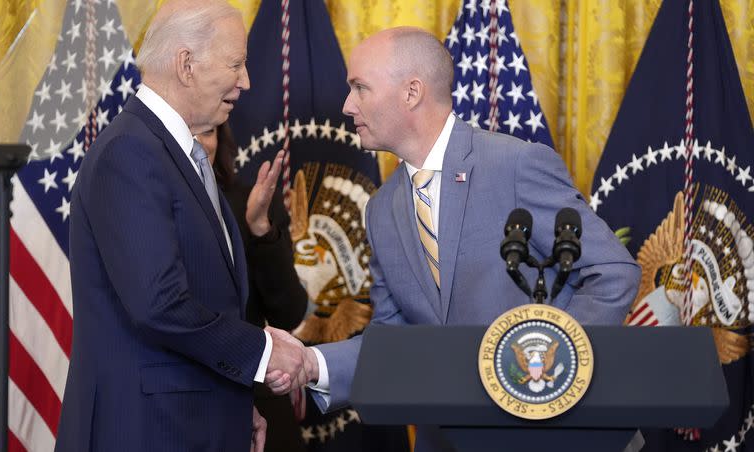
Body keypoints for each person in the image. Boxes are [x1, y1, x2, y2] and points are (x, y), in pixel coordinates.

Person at [266, 27, 643, 452]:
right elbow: (397, 339)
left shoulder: (515, 165)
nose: (347, 105)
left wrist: (550, 370)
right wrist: (312, 362)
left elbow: (612, 271)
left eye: (360, 88)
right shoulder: (383, 209)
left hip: (560, 437)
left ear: (411, 92)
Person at [56, 1, 306, 450]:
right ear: (186, 64)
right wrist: (263, 353)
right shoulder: (130, 153)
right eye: (236, 64)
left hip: (187, 422)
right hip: (145, 430)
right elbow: (160, 305)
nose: (247, 81)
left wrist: (232, 404)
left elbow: (210, 297)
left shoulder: (177, 154)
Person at [196, 123, 308, 452]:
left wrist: (260, 227)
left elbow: (289, 312)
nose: (198, 144)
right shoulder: (150, 204)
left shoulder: (250, 202)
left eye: (206, 132)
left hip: (255, 396)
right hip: (183, 402)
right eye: (186, 131)